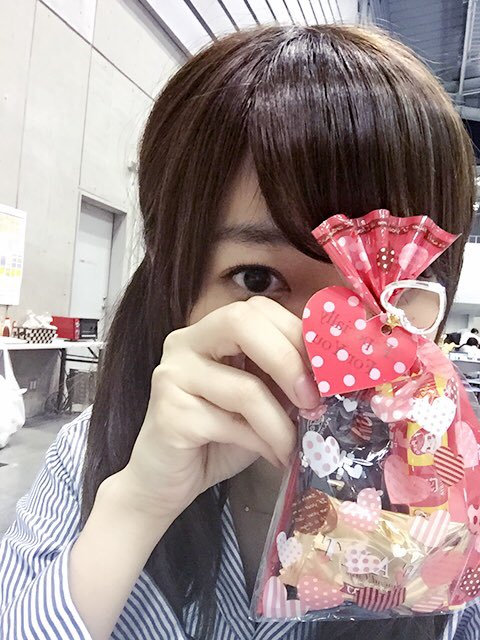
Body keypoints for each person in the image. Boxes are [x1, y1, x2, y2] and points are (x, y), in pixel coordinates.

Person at [0, 24, 478, 640]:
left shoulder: (458, 491)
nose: (324, 353)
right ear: (177, 284)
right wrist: (137, 506)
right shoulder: (92, 455)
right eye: (258, 279)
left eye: (382, 295)